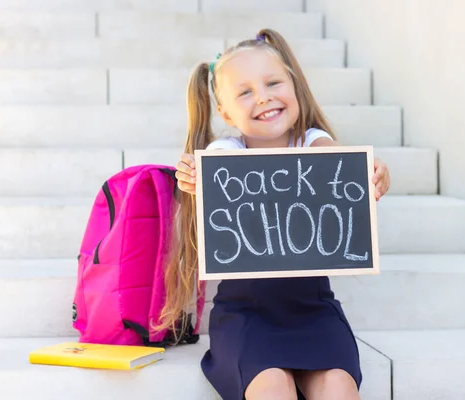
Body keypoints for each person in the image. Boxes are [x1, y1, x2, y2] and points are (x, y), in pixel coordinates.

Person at [158, 28, 391, 400]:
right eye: (245, 92)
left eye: (273, 83)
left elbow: (334, 157)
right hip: (247, 315)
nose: (264, 98)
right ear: (225, 113)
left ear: (294, 85)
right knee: (272, 387)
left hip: (313, 310)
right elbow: (216, 165)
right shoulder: (227, 149)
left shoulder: (311, 141)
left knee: (338, 388)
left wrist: (369, 174)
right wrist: (196, 178)